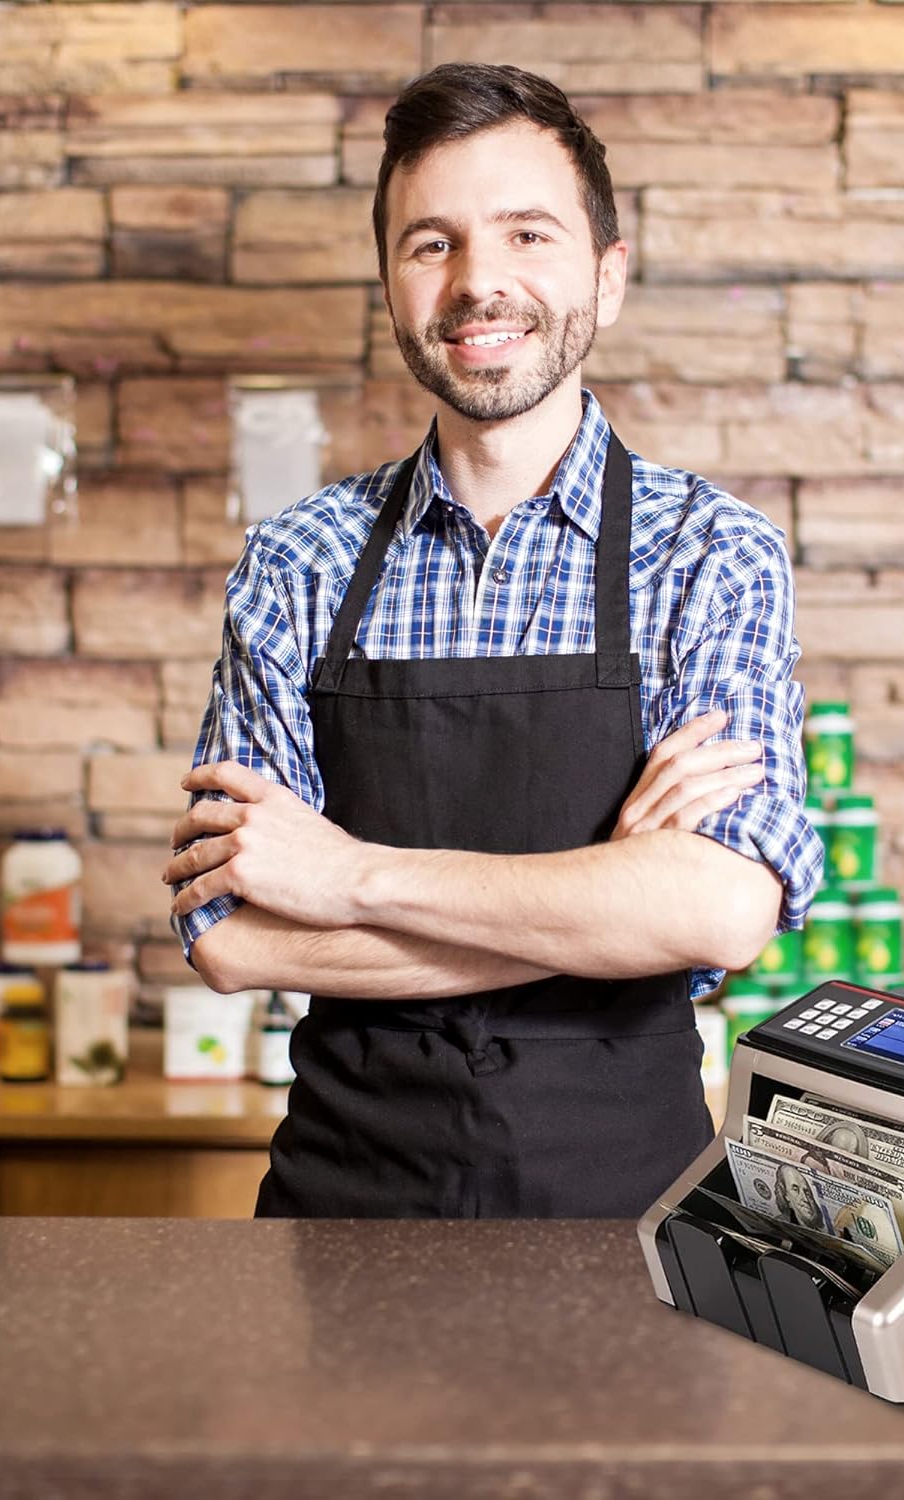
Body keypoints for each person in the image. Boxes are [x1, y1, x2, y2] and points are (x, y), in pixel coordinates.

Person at [163, 62, 823, 1219]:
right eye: (433, 244)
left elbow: (721, 911)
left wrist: (350, 877)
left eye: (528, 234)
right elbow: (235, 936)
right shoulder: (297, 562)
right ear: (389, 282)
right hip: (339, 1222)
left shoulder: (713, 553)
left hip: (632, 1228)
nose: (480, 283)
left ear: (607, 278)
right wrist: (612, 900)